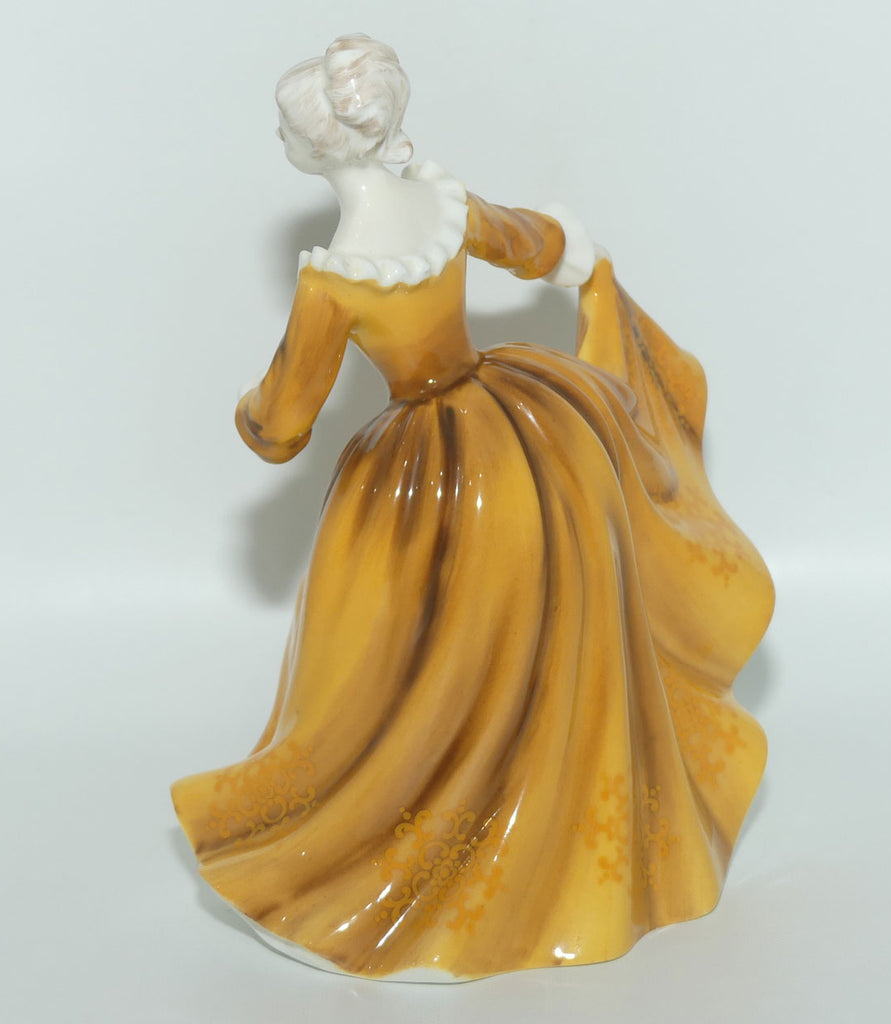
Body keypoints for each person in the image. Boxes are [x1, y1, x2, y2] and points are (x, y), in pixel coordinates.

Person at [171, 33, 774, 981]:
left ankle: (442, 838)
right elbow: (530, 243)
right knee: (538, 632)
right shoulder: (439, 201)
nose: (281, 141)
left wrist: (248, 416)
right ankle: (552, 817)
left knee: (406, 665)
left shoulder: (334, 278)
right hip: (526, 429)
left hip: (427, 474)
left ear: (323, 147)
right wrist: (581, 260)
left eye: (287, 131)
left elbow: (284, 422)